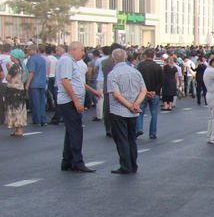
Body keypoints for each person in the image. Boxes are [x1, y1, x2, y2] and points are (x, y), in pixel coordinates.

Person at [57, 42, 102, 172]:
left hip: (73, 100)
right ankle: (77, 162)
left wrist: (93, 92)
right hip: (69, 101)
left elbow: (79, 83)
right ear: (73, 50)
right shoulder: (66, 60)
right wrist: (76, 101)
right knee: (76, 131)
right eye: (81, 50)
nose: (83, 53)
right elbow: (65, 81)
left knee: (71, 131)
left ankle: (67, 161)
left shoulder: (72, 62)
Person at [106, 48, 146, 174]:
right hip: (133, 110)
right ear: (125, 58)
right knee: (131, 139)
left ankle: (125, 165)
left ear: (114, 59)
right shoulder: (135, 71)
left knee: (121, 139)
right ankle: (133, 164)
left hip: (119, 110)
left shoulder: (113, 74)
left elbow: (116, 95)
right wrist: (136, 104)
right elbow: (143, 90)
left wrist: (129, 105)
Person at [136, 48, 162, 139]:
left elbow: (137, 79)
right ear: (153, 56)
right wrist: (154, 91)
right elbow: (160, 81)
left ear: (145, 56)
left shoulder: (140, 66)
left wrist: (145, 91)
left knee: (140, 111)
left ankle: (139, 128)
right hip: (155, 93)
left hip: (143, 92)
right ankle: (153, 133)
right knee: (154, 113)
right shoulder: (157, 66)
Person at [4, 49, 27, 137]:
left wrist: (8, 71)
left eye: (12, 55)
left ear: (15, 57)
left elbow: (8, 78)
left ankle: (19, 129)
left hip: (13, 90)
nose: (10, 57)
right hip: (20, 89)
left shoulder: (14, 66)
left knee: (15, 109)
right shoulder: (21, 66)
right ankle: (18, 129)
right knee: (20, 109)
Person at [25, 44, 48, 126]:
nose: (28, 51)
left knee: (35, 102)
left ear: (33, 50)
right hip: (42, 82)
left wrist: (27, 84)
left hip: (34, 83)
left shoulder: (32, 59)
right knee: (42, 102)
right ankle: (43, 119)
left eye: (29, 50)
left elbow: (31, 72)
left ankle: (37, 120)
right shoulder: (42, 59)